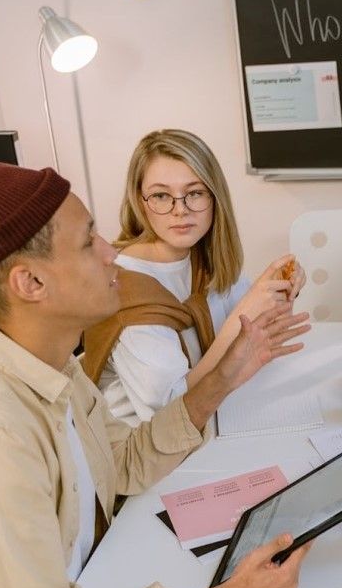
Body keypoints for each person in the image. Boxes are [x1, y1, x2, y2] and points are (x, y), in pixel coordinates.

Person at [0, 162, 312, 588]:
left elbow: (121, 466)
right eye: (88, 240)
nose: (112, 253)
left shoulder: (52, 363)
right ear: (30, 284)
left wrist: (223, 378)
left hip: (92, 587)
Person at [82, 129, 308, 428]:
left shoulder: (203, 257)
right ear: (141, 201)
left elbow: (257, 337)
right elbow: (170, 413)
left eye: (195, 193)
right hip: (143, 452)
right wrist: (241, 319)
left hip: (216, 419)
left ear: (215, 198)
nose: (180, 210)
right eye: (161, 195)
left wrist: (278, 290)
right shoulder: (124, 287)